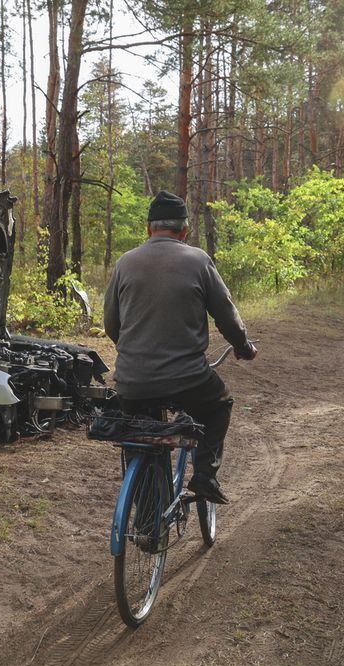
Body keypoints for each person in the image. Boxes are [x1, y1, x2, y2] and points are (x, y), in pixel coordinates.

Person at [103, 190, 257, 505]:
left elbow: (111, 325)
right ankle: (204, 476)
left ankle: (144, 516)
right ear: (184, 230)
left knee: (138, 434)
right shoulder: (198, 260)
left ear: (148, 229)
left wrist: (135, 351)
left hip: (132, 381)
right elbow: (226, 318)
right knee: (219, 406)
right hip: (187, 379)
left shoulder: (124, 262)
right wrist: (243, 347)